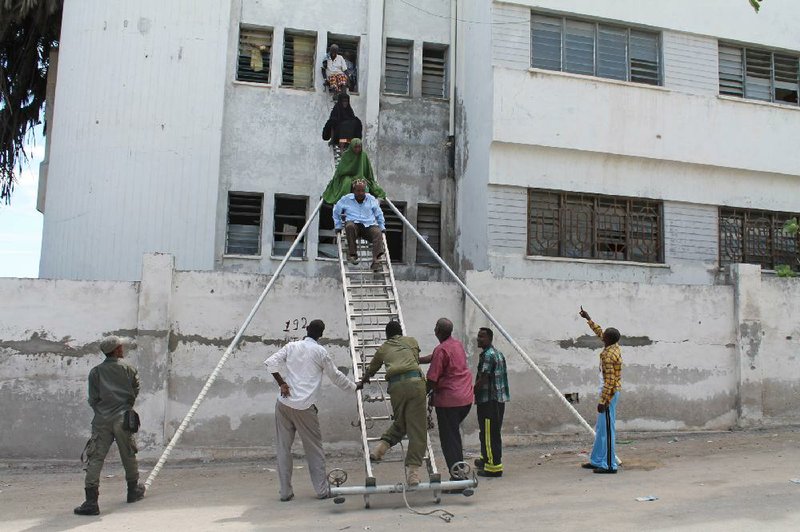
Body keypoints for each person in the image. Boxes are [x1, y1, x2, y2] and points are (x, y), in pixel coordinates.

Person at [264, 319, 363, 501]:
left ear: (306, 329)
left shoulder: (291, 346)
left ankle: (285, 492)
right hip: (305, 407)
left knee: (283, 449)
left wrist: (282, 383)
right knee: (314, 450)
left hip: (284, 404)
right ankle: (322, 491)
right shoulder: (320, 352)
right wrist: (354, 387)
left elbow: (270, 363)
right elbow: (335, 376)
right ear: (321, 334)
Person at [73, 336, 145, 516]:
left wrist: (103, 410)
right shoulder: (129, 369)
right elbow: (135, 390)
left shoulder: (95, 372)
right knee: (128, 453)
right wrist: (125, 404)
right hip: (123, 417)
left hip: (102, 419)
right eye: (121, 346)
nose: (123, 348)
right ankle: (133, 490)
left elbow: (93, 398)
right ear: (116, 350)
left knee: (96, 457)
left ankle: (91, 502)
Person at [360, 321, 427, 486]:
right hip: (415, 383)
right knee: (417, 429)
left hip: (396, 387)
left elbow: (371, 370)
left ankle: (380, 448)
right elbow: (415, 359)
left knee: (401, 423)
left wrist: (363, 380)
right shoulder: (411, 341)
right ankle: (413, 473)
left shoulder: (383, 348)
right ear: (401, 333)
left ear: (387, 335)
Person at [419, 318, 473, 485]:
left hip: (450, 401)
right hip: (465, 399)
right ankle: (459, 473)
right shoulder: (456, 345)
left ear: (438, 331)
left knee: (449, 441)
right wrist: (418, 359)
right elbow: (436, 356)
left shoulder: (441, 350)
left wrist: (421, 395)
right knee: (454, 437)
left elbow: (432, 379)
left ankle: (458, 478)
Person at [578, 306, 622, 474]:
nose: (601, 336)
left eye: (604, 336)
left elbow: (610, 381)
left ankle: (610, 465)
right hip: (607, 392)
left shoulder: (608, 355)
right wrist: (588, 319)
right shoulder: (613, 345)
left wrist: (603, 401)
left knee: (607, 430)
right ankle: (597, 460)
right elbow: (600, 332)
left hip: (608, 394)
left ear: (607, 339)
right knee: (601, 429)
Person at [473, 327, 509, 478]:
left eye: (482, 337)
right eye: (478, 336)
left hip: (489, 401)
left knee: (489, 433)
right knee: (490, 432)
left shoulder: (488, 355)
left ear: (489, 338)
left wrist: (473, 389)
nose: (478, 339)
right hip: (498, 401)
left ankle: (493, 467)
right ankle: (486, 458)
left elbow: (484, 377)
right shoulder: (498, 353)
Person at [332, 180, 386, 271]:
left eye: (362, 191)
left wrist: (382, 226)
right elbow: (336, 211)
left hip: (368, 226)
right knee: (349, 226)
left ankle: (376, 260)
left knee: (377, 232)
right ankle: (352, 255)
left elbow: (379, 214)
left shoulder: (371, 199)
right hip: (354, 225)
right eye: (358, 190)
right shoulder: (346, 199)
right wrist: (338, 226)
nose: (361, 193)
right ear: (354, 191)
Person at [322, 138, 385, 204]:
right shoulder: (346, 155)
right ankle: (344, 202)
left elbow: (368, 171)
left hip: (361, 177)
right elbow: (340, 172)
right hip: (346, 177)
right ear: (352, 147)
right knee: (346, 182)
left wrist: (364, 179)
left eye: (359, 147)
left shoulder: (363, 155)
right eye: (355, 147)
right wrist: (353, 178)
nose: (357, 149)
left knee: (364, 183)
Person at [321, 93, 362, 160]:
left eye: (346, 101)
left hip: (349, 136)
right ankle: (342, 150)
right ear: (340, 101)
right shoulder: (336, 109)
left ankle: (353, 144)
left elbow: (352, 118)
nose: (345, 103)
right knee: (344, 125)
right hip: (339, 135)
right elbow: (332, 121)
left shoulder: (349, 110)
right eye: (343, 101)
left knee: (356, 122)